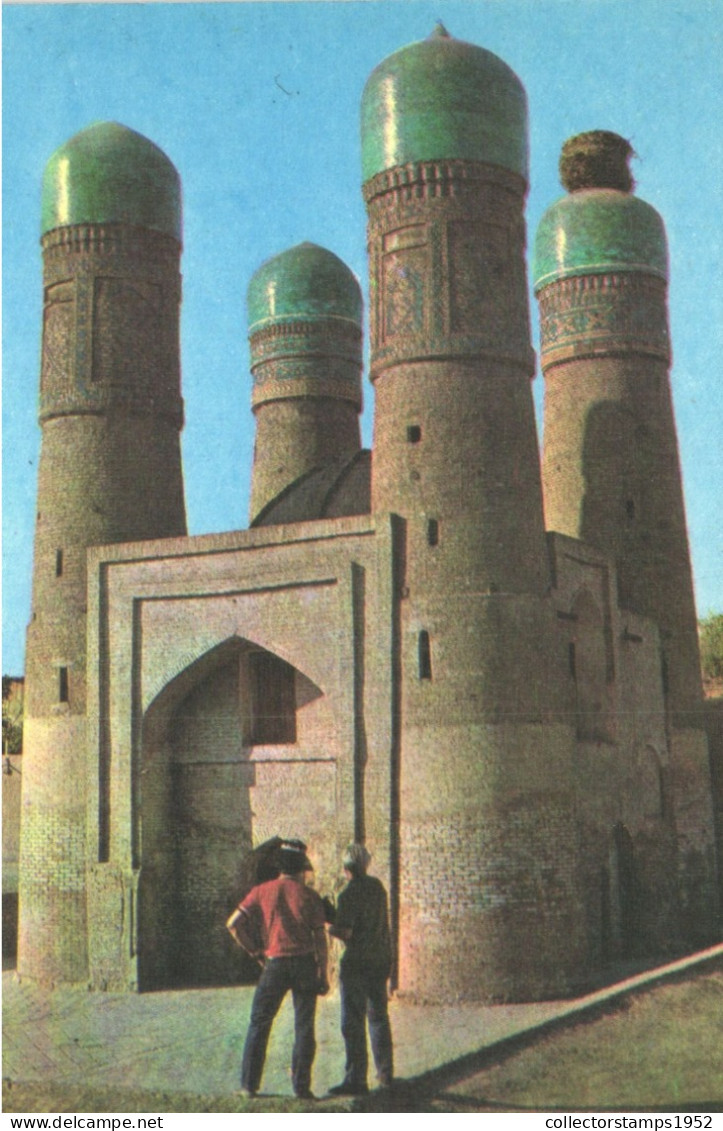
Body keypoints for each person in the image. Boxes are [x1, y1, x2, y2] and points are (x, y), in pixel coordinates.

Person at [227, 840, 329, 1100]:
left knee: (260, 1022)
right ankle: (301, 1088)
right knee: (304, 1025)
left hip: (275, 964)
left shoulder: (261, 891)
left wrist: (254, 951)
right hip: (305, 963)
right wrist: (323, 973)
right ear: (300, 868)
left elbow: (233, 924)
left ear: (279, 866)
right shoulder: (309, 895)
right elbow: (320, 940)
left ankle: (249, 1086)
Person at [328, 843, 394, 1096]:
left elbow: (345, 932)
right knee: (378, 1017)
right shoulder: (378, 888)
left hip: (356, 964)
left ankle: (356, 1079)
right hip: (379, 959)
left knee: (353, 1022)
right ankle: (385, 1073)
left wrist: (328, 925)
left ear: (346, 869)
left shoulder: (348, 894)